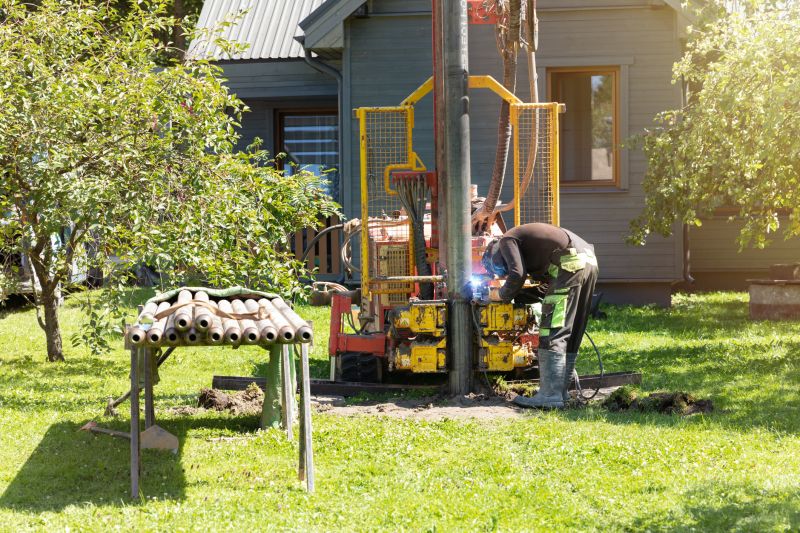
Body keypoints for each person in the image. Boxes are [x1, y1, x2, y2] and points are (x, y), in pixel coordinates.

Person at [481, 223, 598, 408]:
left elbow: (517, 274)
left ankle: (550, 396)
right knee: (572, 330)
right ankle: (560, 393)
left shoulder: (506, 240)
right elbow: (542, 288)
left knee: (552, 329)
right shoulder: (531, 245)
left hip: (569, 263)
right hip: (588, 262)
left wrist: (498, 294)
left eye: (501, 270)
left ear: (495, 256)